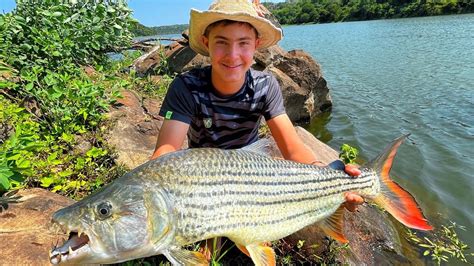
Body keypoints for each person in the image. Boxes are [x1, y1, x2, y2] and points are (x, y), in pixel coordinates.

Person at [151, 0, 363, 260]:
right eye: (221, 42)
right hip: (204, 179)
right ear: (206, 43)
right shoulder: (186, 86)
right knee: (201, 251)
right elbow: (167, 150)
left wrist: (329, 178)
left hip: (252, 168)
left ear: (257, 45)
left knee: (252, 241)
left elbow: (292, 146)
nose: (232, 54)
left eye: (243, 43)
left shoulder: (265, 85)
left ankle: (248, 234)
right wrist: (151, 189)